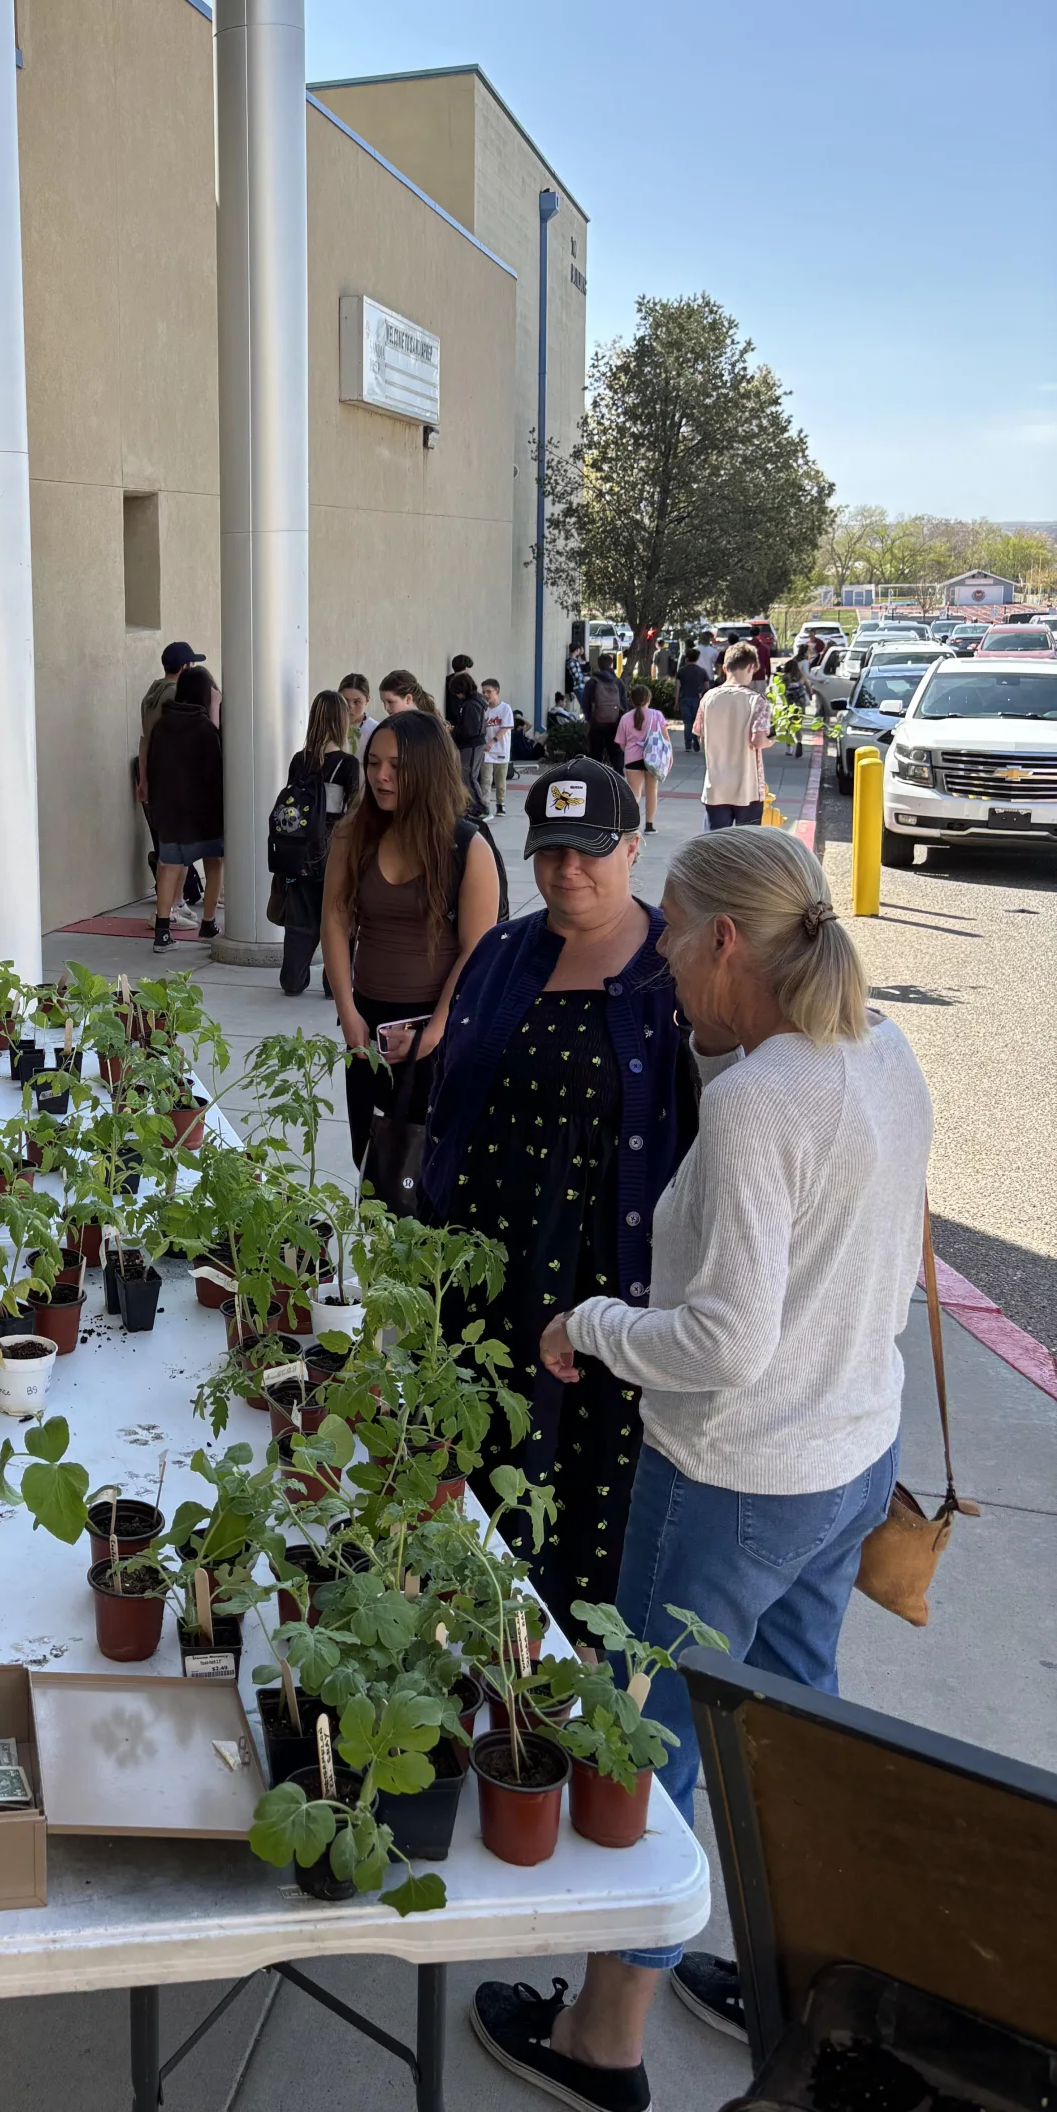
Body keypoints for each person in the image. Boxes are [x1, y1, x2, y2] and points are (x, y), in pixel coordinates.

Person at [481, 830, 930, 2111]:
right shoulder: (881, 1050)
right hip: (850, 1459)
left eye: (675, 936)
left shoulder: (753, 1105)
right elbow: (879, 1265)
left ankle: (603, 2042)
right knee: (788, 1732)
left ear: (727, 941)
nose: (662, 959)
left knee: (648, 1751)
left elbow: (722, 1343)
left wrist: (591, 1325)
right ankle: (796, 1989)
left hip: (732, 1483)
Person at [417, 758, 700, 1629]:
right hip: (486, 1264)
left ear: (632, 848)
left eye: (589, 851)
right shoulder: (504, 951)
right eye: (549, 852)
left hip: (601, 1278)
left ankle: (561, 1660)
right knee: (481, 1442)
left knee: (581, 1478)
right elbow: (455, 1097)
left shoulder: (673, 967)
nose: (567, 871)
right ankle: (473, 1623)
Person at [324, 710, 500, 1168]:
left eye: (397, 767)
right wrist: (347, 1011)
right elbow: (335, 920)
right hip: (366, 1025)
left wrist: (432, 1034)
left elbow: (476, 953)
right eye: (373, 763)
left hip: (440, 1026)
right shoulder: (352, 834)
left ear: (427, 769)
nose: (381, 777)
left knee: (431, 1170)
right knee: (375, 1164)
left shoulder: (468, 847)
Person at [276, 688, 361, 997]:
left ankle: (293, 980)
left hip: (298, 852)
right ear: (342, 722)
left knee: (299, 919)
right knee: (339, 918)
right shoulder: (349, 765)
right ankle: (334, 983)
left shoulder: (301, 761)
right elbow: (354, 812)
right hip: (334, 850)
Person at [143, 665, 224, 950]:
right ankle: (208, 923)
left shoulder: (162, 725)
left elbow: (152, 765)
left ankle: (162, 932)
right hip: (204, 812)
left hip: (169, 810)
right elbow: (216, 762)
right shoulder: (205, 727)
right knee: (215, 862)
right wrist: (215, 709)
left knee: (169, 865)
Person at [138, 641, 207, 918]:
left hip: (155, 776)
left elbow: (145, 741)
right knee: (181, 847)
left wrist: (143, 780)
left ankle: (174, 903)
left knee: (169, 844)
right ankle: (173, 904)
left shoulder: (151, 694)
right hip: (177, 778)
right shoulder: (177, 695)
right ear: (184, 667)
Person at [698, 641, 770, 828]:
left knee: (714, 847)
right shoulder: (757, 701)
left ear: (724, 668)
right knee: (746, 849)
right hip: (748, 787)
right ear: (751, 667)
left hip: (716, 785)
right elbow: (758, 740)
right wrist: (771, 740)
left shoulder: (708, 698)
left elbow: (701, 734)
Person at [614, 680, 663, 834]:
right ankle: (649, 825)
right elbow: (665, 740)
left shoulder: (625, 718)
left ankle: (631, 825)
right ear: (648, 699)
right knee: (651, 791)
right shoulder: (657, 715)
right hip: (653, 759)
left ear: (632, 700)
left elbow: (621, 743)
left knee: (634, 793)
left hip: (632, 759)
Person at [444, 654, 486, 813]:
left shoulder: (471, 705)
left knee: (469, 777)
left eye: (458, 693)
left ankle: (479, 807)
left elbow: (471, 729)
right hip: (470, 744)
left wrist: (455, 730)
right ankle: (472, 805)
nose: (457, 696)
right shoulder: (472, 703)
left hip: (472, 744)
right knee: (466, 776)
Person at [579, 656, 625, 769]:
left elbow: (585, 704)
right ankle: (619, 779)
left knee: (596, 754)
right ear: (611, 664)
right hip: (614, 724)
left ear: (599, 665)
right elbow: (624, 705)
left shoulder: (592, 682)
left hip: (596, 724)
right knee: (616, 754)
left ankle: (596, 778)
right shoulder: (618, 682)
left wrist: (590, 719)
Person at [479, 678, 513, 815]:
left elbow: (504, 728)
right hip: (486, 751)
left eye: (489, 691)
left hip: (500, 749)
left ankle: (501, 804)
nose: (486, 694)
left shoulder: (505, 708)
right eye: (483, 692)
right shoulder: (484, 709)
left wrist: (492, 742)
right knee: (486, 780)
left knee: (500, 781)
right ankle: (485, 806)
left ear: (497, 691)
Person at [676, 643, 711, 755]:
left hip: (685, 698)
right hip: (697, 698)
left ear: (686, 659)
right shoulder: (702, 671)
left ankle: (688, 744)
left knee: (687, 723)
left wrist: (676, 701)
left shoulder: (681, 671)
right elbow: (707, 687)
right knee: (697, 721)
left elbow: (677, 687)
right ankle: (696, 736)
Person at [338, 673, 378, 753]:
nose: (350, 707)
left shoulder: (375, 730)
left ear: (367, 700)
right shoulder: (331, 727)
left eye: (356, 702)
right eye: (345, 701)